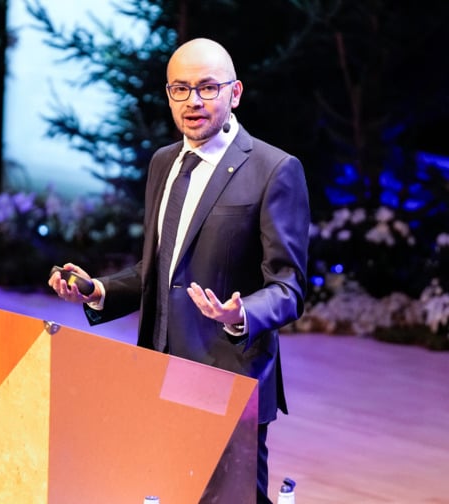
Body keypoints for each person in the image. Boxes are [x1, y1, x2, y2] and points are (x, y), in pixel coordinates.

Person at [48, 37, 310, 503]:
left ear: (235, 93)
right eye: (180, 88)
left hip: (227, 373)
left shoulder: (274, 170)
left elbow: (288, 287)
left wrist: (240, 314)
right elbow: (158, 267)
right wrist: (98, 290)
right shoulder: (163, 163)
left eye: (208, 88)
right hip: (159, 369)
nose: (193, 101)